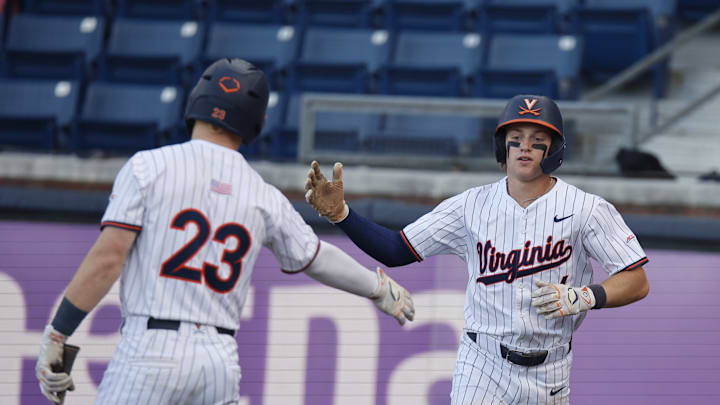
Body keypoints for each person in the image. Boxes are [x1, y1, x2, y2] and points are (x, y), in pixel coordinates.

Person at [35, 58, 415, 405]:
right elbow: (316, 257)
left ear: (197, 99)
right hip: (218, 362)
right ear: (257, 121)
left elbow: (108, 260)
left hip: (149, 352)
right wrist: (378, 288)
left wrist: (58, 334)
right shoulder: (262, 192)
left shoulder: (148, 167)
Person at [304, 94, 650, 405]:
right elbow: (396, 250)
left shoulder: (587, 208)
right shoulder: (470, 206)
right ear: (502, 148)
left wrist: (586, 296)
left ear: (554, 149)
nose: (525, 147)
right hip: (483, 363)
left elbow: (636, 280)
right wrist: (341, 215)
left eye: (537, 140)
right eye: (515, 140)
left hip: (552, 371)